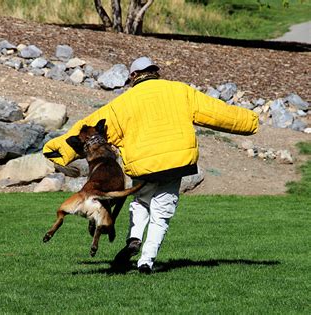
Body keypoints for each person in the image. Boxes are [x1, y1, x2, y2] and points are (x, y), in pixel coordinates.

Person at [43, 56, 258, 274]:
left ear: (133, 76)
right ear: (155, 71)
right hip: (176, 163)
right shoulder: (180, 91)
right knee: (161, 213)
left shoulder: (122, 104)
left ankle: (134, 238)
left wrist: (59, 150)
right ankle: (147, 260)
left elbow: (87, 129)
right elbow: (217, 112)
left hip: (143, 164)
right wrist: (251, 121)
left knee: (140, 203)